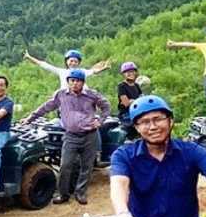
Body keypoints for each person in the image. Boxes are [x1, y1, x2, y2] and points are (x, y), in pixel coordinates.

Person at [23, 68, 109, 205]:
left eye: (78, 81)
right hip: (70, 136)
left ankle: (80, 193)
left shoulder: (92, 95)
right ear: (68, 82)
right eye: (72, 81)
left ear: (83, 82)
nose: (75, 84)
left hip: (89, 135)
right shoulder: (61, 95)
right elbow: (46, 107)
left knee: (86, 166)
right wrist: (30, 118)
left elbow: (106, 106)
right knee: (65, 165)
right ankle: (63, 194)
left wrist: (100, 121)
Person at [23, 48, 111, 90]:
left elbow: (94, 71)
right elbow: (44, 65)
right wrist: (29, 57)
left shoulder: (82, 72)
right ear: (66, 61)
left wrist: (104, 68)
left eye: (75, 61)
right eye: (71, 61)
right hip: (66, 99)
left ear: (78, 63)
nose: (73, 63)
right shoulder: (62, 72)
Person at [116, 61, 143, 140]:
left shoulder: (137, 85)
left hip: (137, 111)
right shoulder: (121, 86)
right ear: (123, 74)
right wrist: (136, 101)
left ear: (135, 72)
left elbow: (142, 98)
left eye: (131, 71)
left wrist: (133, 100)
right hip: (126, 114)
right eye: (127, 72)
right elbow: (126, 103)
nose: (129, 73)